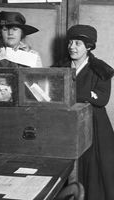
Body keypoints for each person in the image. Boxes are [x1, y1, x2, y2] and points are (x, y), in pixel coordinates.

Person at [57, 24, 114, 200]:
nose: (72, 47)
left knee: (94, 169)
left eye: (78, 43)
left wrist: (72, 93)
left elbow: (102, 99)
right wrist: (85, 94)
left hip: (94, 125)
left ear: (88, 46)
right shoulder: (59, 68)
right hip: (65, 123)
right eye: (70, 42)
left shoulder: (101, 69)